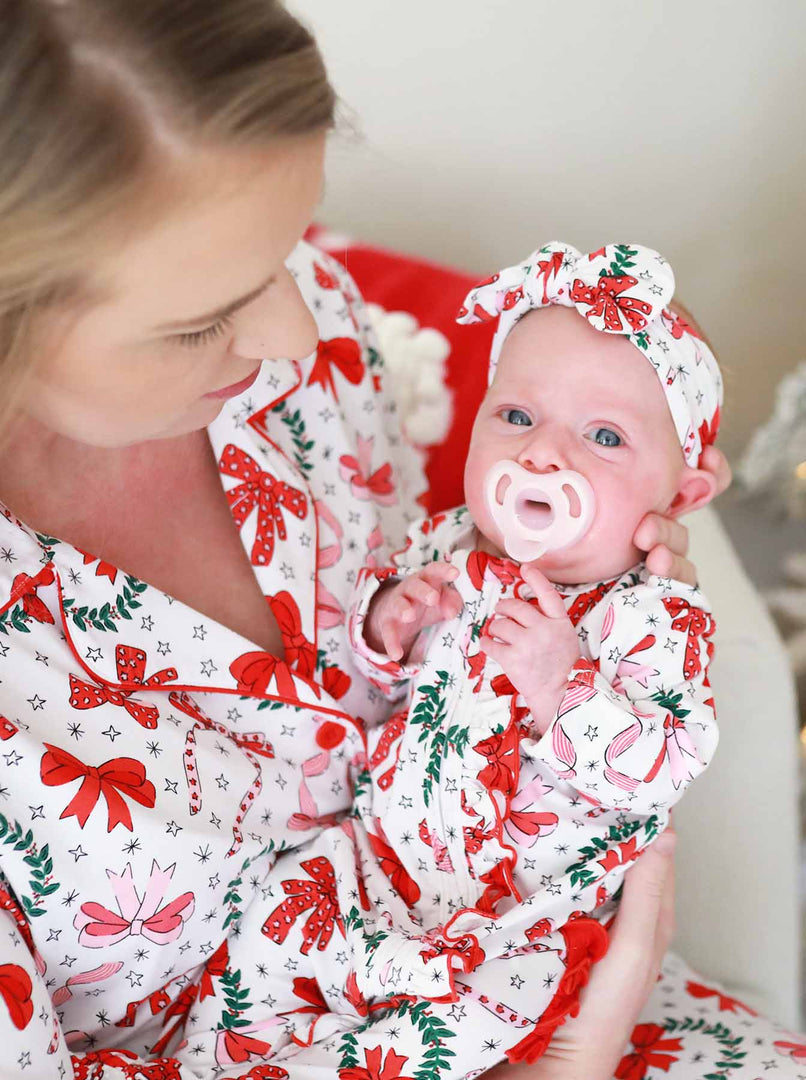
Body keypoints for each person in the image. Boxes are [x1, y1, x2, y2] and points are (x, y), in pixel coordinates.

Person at [0, 2, 806, 1078]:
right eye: (200, 321)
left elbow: (439, 629)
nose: (301, 334)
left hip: (534, 963)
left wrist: (599, 605)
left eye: (291, 249)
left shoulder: (309, 345)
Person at [174, 241, 723, 1076]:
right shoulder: (449, 546)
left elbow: (665, 765)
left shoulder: (651, 614)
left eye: (604, 436)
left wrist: (562, 687)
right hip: (383, 857)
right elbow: (386, 681)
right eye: (514, 417)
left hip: (519, 913)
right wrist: (390, 621)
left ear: (680, 494)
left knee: (479, 1014)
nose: (542, 455)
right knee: (275, 933)